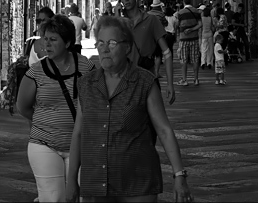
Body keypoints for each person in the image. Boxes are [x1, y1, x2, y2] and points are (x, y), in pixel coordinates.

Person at [65, 16, 193, 203]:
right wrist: (71, 181)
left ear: (128, 47)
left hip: (137, 182)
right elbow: (78, 134)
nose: (105, 49)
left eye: (112, 43)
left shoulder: (145, 82)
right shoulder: (86, 84)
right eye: (100, 42)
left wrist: (179, 175)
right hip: (96, 182)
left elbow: (164, 131)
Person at [16, 15, 96, 202]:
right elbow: (23, 107)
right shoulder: (36, 71)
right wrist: (47, 122)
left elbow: (96, 104)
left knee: (81, 197)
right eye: (45, 39)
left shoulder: (85, 67)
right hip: (44, 144)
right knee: (54, 198)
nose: (47, 45)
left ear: (67, 42)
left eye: (53, 40)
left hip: (82, 146)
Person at [116, 0, 177, 104]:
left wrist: (170, 84)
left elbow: (167, 52)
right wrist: (117, 18)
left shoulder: (151, 20)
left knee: (154, 121)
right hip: (125, 83)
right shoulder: (119, 23)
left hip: (147, 81)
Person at [175, 0, 202, 86]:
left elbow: (176, 24)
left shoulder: (180, 12)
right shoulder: (196, 12)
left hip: (184, 39)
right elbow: (200, 24)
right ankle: (196, 79)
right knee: (195, 59)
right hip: (194, 38)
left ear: (183, 2)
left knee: (184, 59)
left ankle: (184, 79)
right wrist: (192, 29)